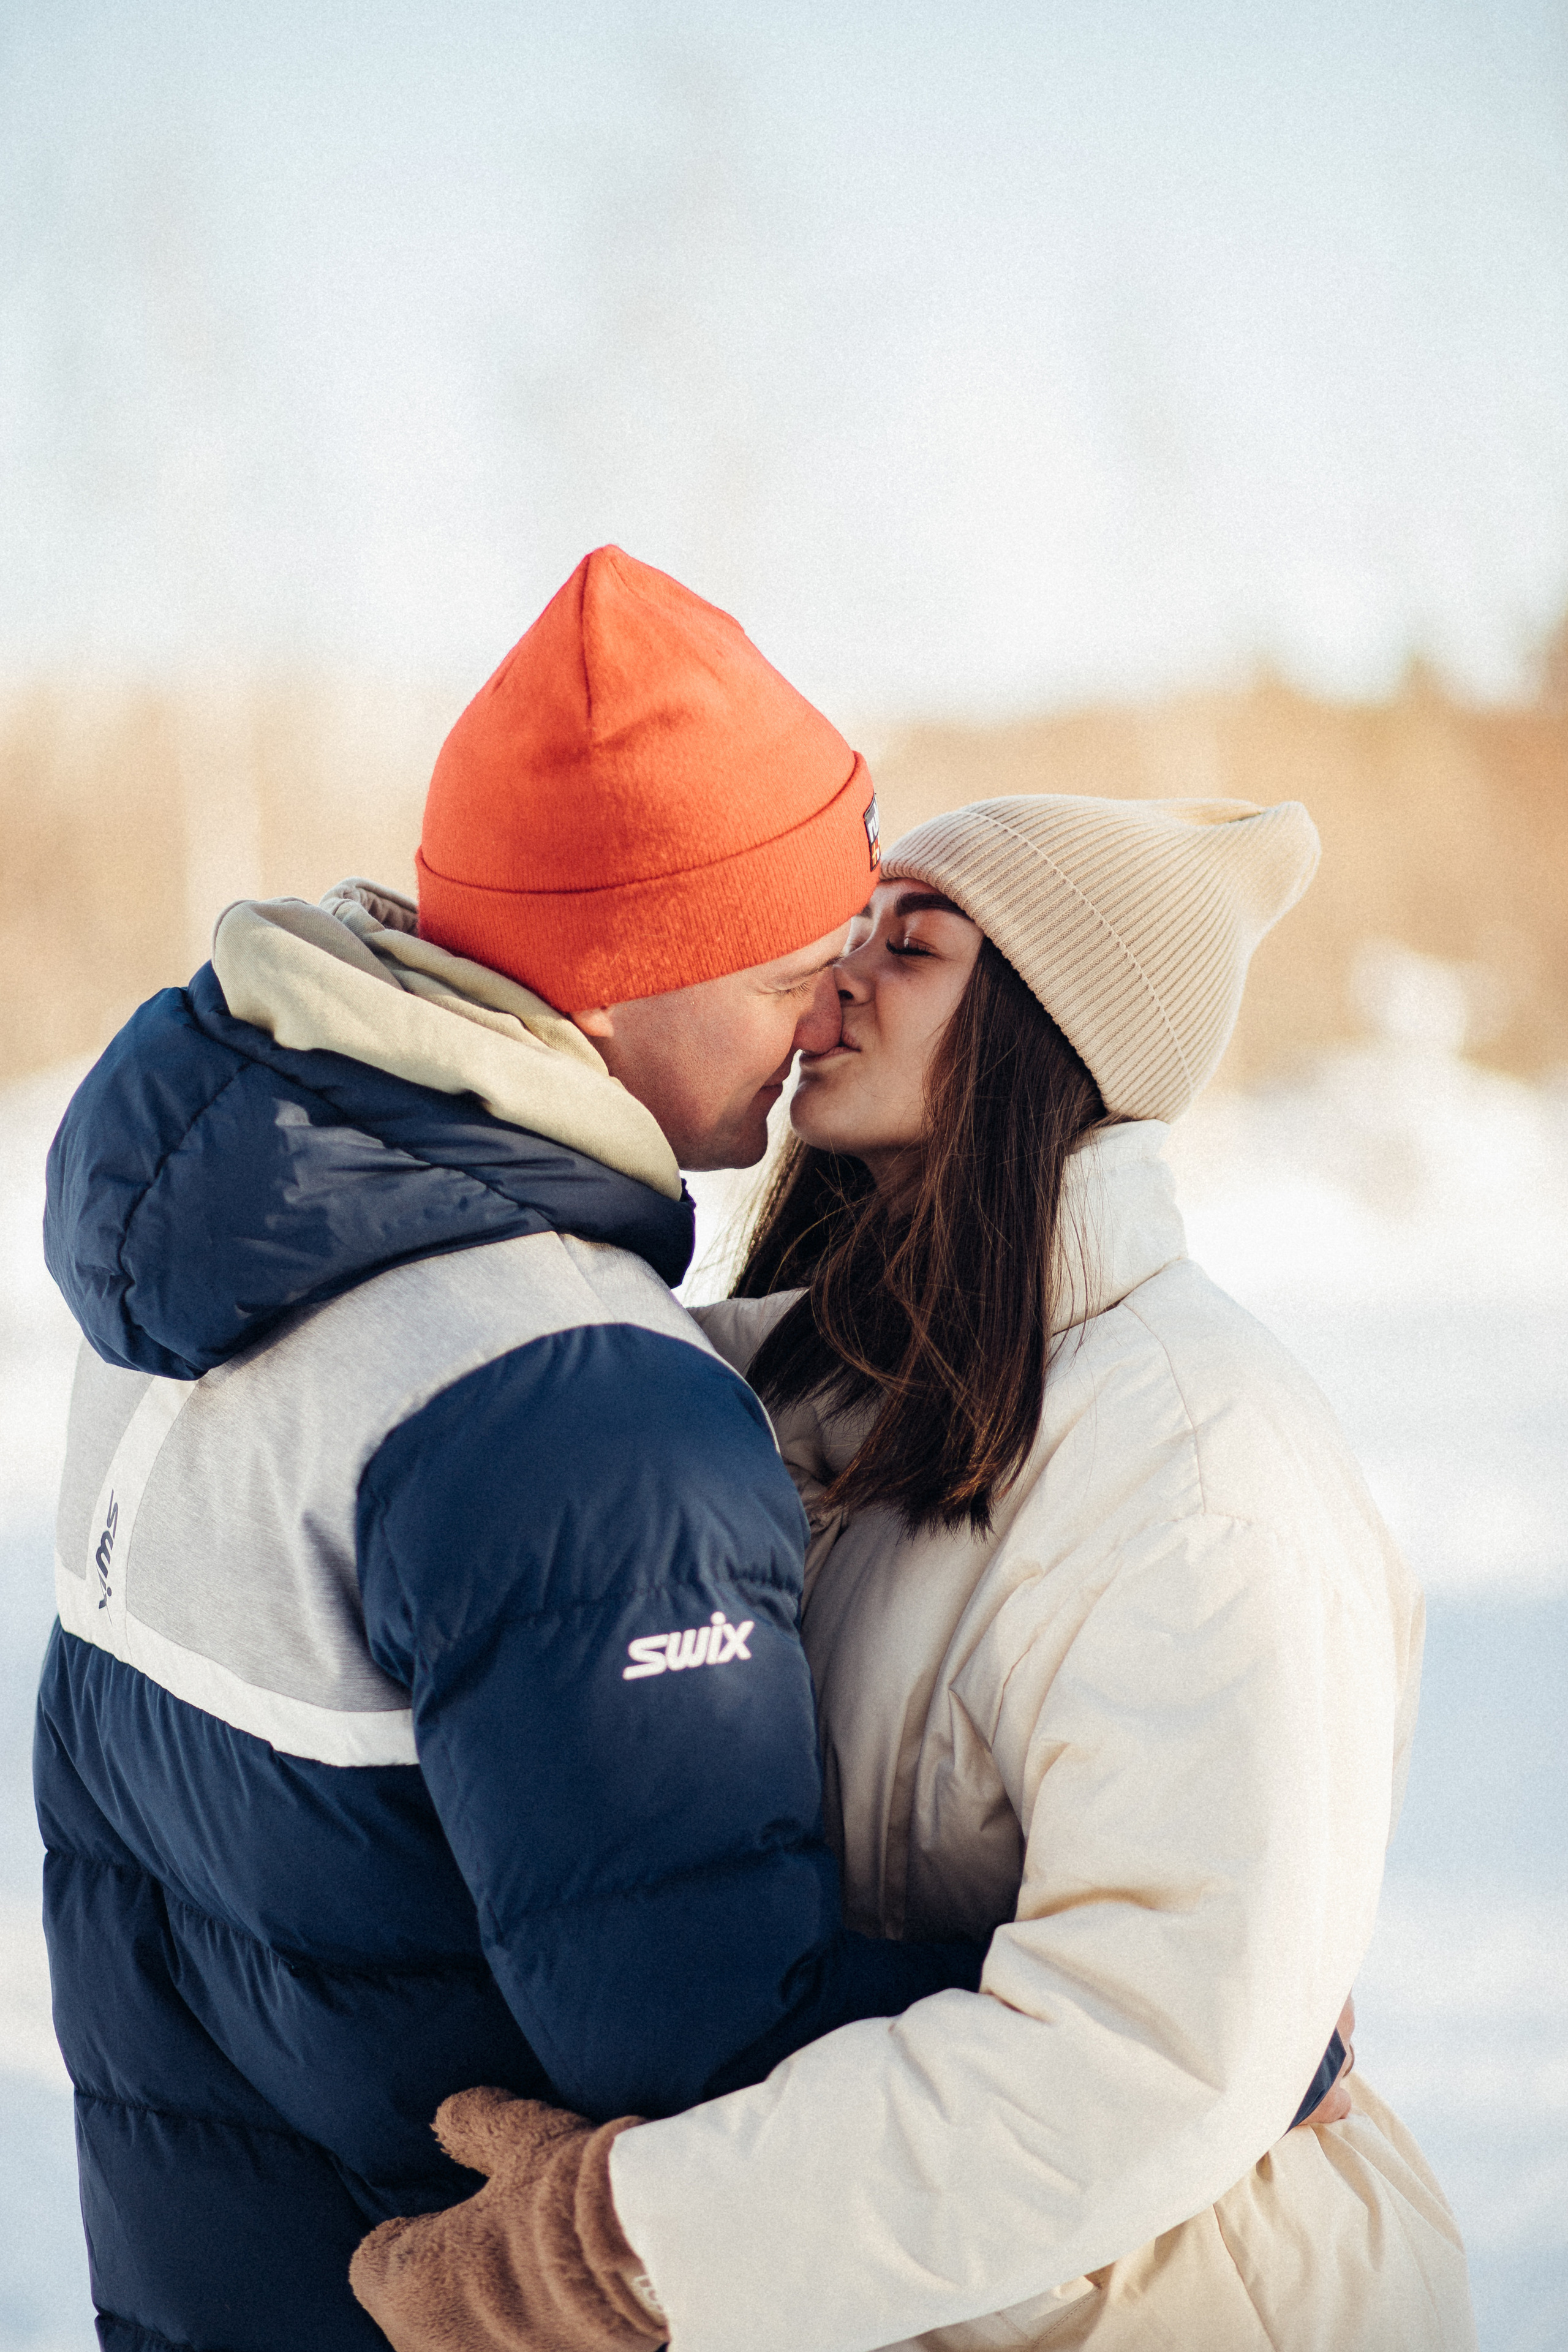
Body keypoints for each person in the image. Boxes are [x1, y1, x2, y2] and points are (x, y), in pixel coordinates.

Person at [351, 794, 1474, 2352]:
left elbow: (1141, 2052)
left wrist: (633, 2245)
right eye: (851, 929)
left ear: (1046, 1035)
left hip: (1186, 2305)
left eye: (913, 942)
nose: (837, 975)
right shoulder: (827, 1385)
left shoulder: (1200, 1469)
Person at [34, 547, 984, 2352]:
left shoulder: (200, 1269)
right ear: (623, 982)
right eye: (792, 970)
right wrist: (1152, 2030)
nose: (821, 1027)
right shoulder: (574, 1404)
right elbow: (715, 2051)